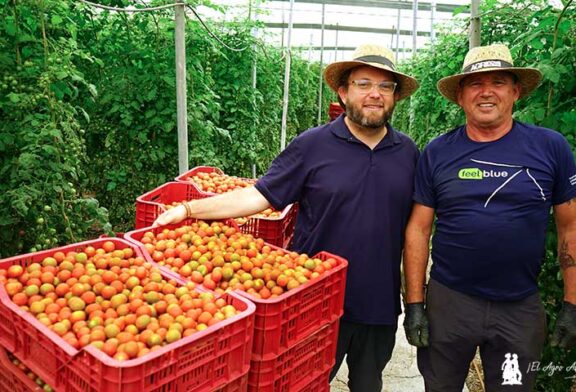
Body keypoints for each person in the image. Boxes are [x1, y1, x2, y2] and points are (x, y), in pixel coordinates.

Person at [153, 43, 420, 391]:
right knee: (306, 381)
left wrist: (416, 301)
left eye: (385, 87)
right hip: (313, 301)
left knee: (369, 383)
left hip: (378, 304)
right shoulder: (313, 145)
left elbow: (419, 227)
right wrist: (189, 209)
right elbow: (260, 195)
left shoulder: (408, 152)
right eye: (363, 84)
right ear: (343, 91)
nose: (375, 94)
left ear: (396, 96)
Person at [402, 43, 576, 392]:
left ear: (515, 92)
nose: (486, 92)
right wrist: (415, 304)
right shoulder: (438, 151)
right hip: (450, 304)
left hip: (519, 308)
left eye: (498, 82)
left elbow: (570, 226)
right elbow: (419, 230)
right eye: (475, 84)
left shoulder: (550, 147)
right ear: (461, 96)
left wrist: (573, 303)